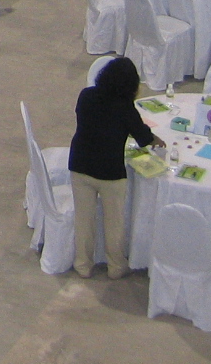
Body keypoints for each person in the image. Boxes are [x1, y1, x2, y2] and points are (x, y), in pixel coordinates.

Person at [67, 56, 164, 279]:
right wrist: (155, 139)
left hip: (79, 165)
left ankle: (82, 264)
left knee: (83, 220)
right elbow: (142, 137)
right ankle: (116, 267)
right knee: (114, 223)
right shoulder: (125, 108)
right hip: (110, 173)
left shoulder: (86, 96)